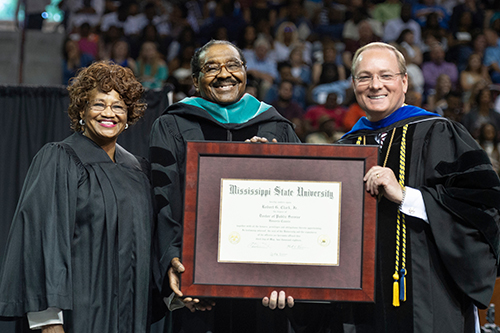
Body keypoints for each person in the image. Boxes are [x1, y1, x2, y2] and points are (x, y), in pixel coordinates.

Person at [267, 42, 500, 332]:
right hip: (358, 311)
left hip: (429, 300)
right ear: (353, 85)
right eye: (365, 77)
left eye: (386, 75)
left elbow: (483, 208)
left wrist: (407, 196)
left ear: (404, 81)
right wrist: (265, 167)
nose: (375, 85)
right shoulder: (343, 150)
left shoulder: (440, 132)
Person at [149, 39, 300, 333]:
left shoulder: (277, 127)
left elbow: (296, 201)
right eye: (211, 68)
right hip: (198, 278)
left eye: (233, 65)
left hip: (262, 281)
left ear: (245, 71)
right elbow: (162, 198)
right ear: (195, 80)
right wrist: (173, 259)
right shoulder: (173, 125)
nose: (224, 74)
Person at [0, 61, 155, 332]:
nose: (109, 113)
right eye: (98, 104)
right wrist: (48, 321)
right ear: (82, 110)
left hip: (130, 315)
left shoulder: (137, 169)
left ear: (128, 115)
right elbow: (41, 238)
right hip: (78, 316)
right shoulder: (60, 158)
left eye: (118, 106)